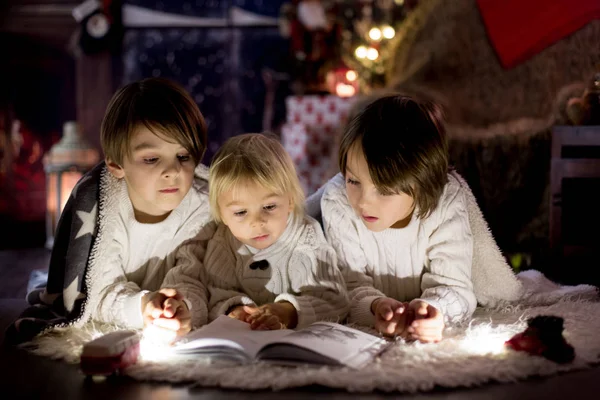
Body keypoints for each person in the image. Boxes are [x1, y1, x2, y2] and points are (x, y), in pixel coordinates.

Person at [320, 95, 477, 343]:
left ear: (423, 185)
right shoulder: (339, 201)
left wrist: (435, 311)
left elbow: (457, 286)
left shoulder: (444, 202)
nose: (362, 201)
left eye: (384, 190)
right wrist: (375, 307)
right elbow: (347, 286)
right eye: (353, 181)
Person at [89, 77, 213, 336]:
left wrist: (181, 307)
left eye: (183, 156)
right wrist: (143, 306)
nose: (172, 171)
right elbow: (99, 291)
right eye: (152, 159)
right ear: (116, 165)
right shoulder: (106, 211)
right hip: (134, 305)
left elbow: (193, 277)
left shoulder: (201, 209)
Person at [204, 133, 348, 330]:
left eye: (269, 207)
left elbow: (334, 300)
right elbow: (215, 294)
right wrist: (235, 310)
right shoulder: (222, 242)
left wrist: (287, 311)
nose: (257, 222)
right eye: (240, 212)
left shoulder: (305, 236)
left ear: (289, 201)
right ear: (222, 213)